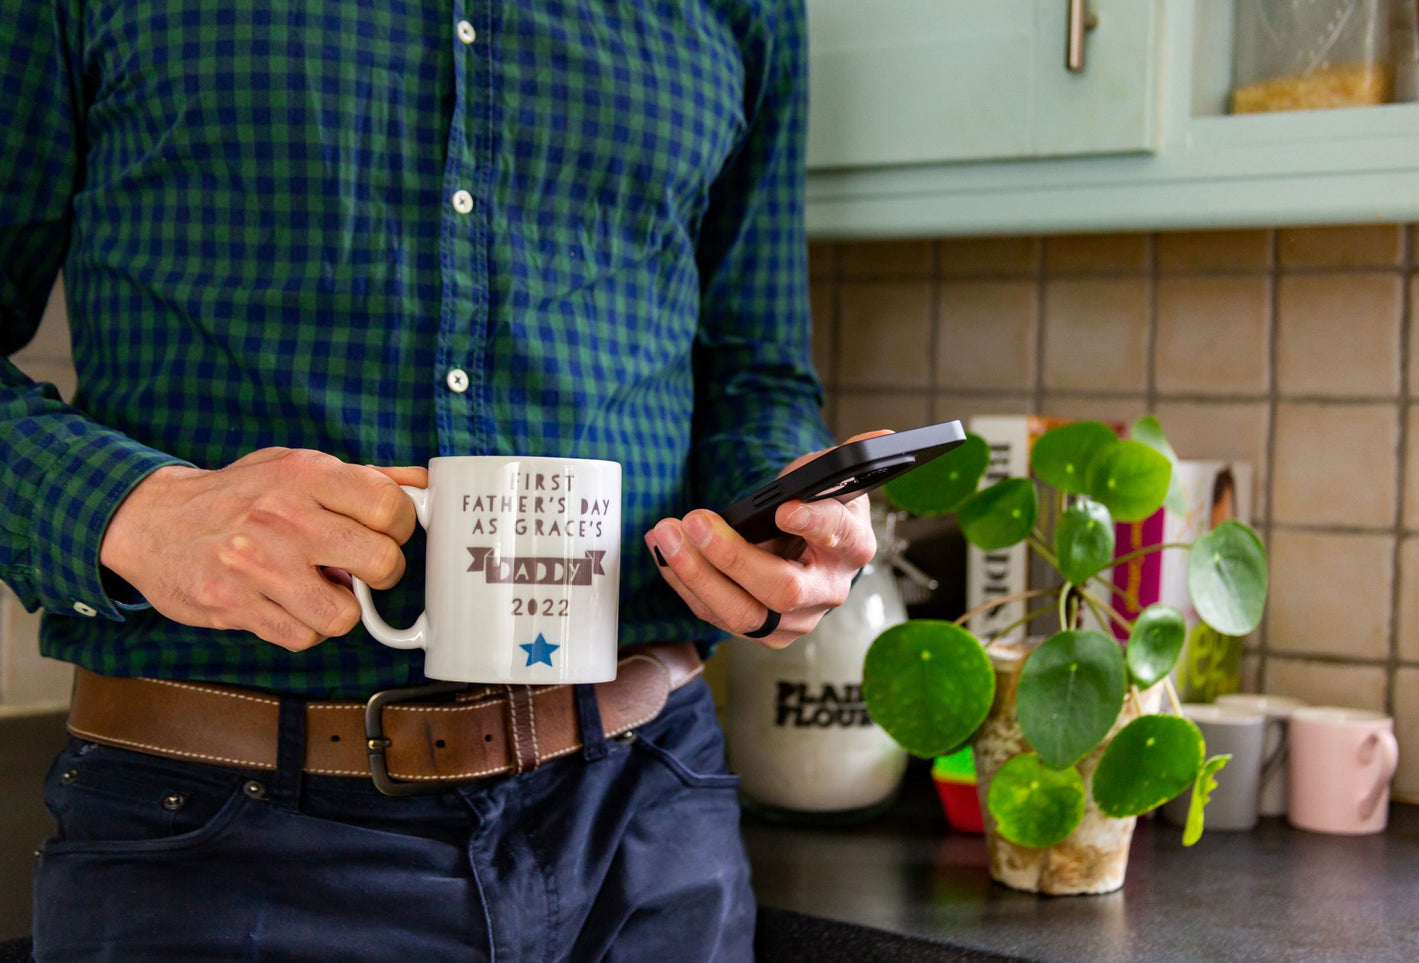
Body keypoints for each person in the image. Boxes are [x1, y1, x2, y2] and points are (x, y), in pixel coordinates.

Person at [0, 1, 876, 959]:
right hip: (217, 839)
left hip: (652, 821)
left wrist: (787, 514)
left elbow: (755, 371)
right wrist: (136, 510)